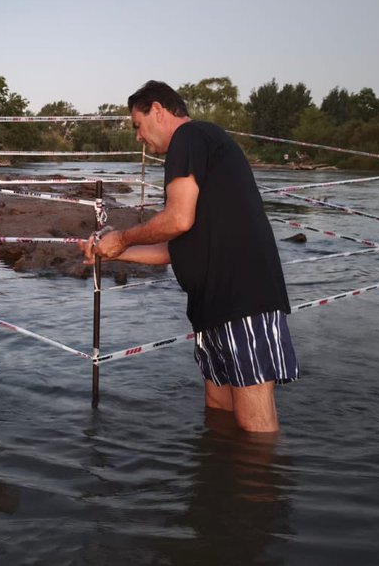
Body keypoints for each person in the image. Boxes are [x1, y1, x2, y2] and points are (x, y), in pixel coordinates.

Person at [82, 80, 298, 433]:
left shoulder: (188, 137)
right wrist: (113, 253)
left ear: (158, 110)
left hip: (242, 297)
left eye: (137, 125)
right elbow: (175, 246)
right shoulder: (201, 146)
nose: (138, 138)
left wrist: (120, 238)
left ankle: (263, 488)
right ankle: (220, 485)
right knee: (218, 409)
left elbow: (177, 219)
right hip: (212, 306)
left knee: (253, 422)